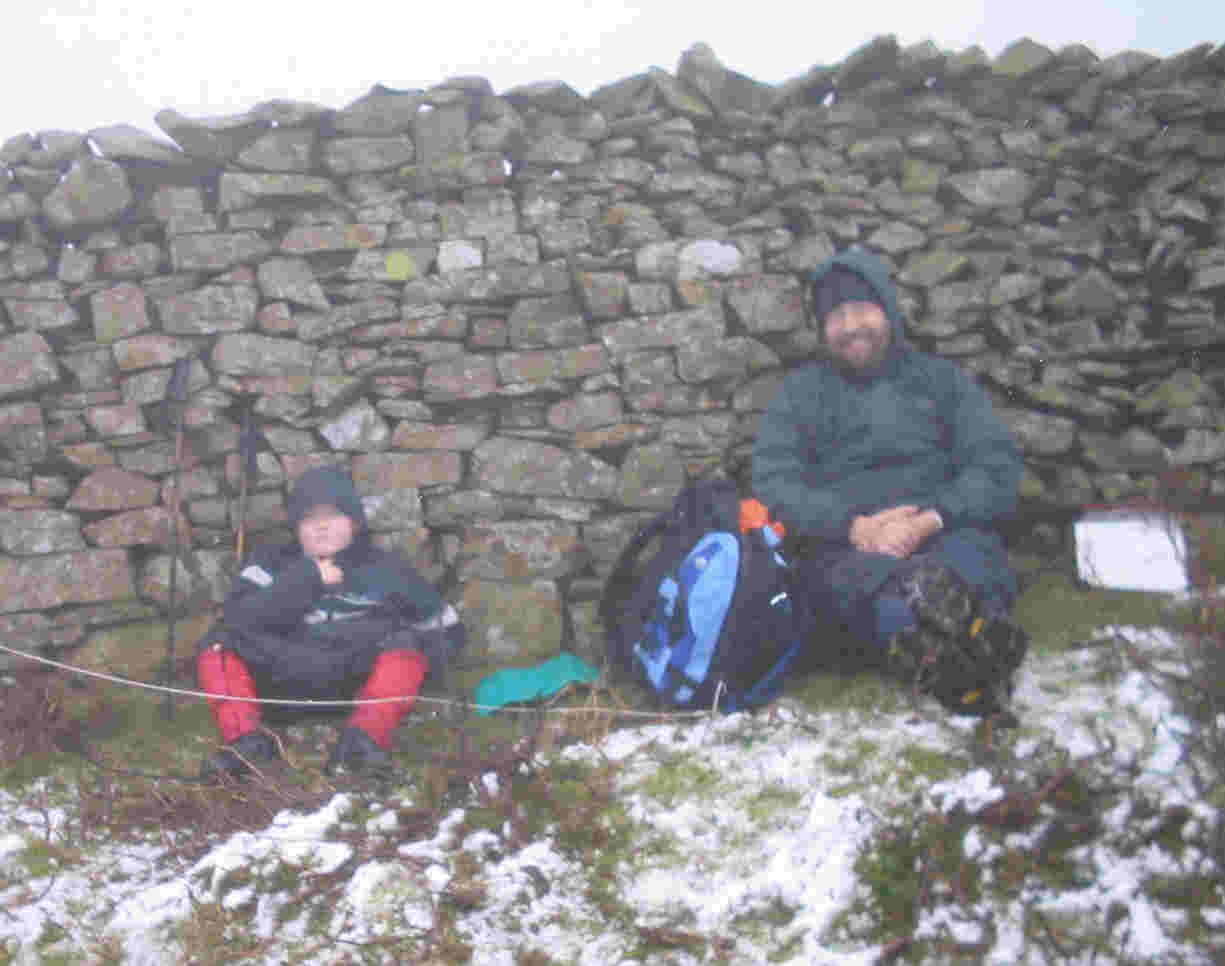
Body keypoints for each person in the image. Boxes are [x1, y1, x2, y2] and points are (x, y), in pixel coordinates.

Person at [752, 248, 1028, 715]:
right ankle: (957, 650)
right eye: (836, 316)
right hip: (848, 550)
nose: (850, 325)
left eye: (861, 309)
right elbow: (776, 485)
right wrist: (855, 528)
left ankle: (955, 640)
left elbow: (996, 465)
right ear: (822, 330)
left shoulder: (940, 381)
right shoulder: (798, 397)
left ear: (888, 312)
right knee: (865, 592)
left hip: (943, 531)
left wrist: (931, 519)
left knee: (970, 565)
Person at [196, 464, 464, 779]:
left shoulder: (387, 569)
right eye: (310, 518)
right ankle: (247, 744)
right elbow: (240, 620)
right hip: (280, 685)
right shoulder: (270, 563)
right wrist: (307, 579)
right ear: (296, 526)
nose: (321, 526)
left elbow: (448, 630)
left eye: (333, 515)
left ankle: (362, 744)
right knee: (218, 644)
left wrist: (411, 660)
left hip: (355, 686)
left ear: (353, 522)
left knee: (407, 644)